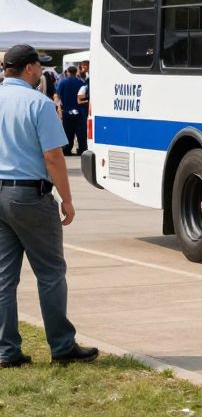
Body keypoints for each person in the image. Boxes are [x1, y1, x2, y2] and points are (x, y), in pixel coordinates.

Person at [0, 44, 98, 366]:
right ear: (29, 68)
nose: (41, 71)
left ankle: (6, 350)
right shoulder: (38, 103)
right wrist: (67, 199)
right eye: (39, 66)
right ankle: (62, 346)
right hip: (30, 195)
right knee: (51, 272)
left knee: (4, 278)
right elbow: (53, 156)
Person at [54, 65, 86, 156]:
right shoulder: (81, 82)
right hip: (80, 111)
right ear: (76, 72)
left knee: (68, 131)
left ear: (68, 72)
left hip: (67, 111)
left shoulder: (63, 82)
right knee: (80, 132)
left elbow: (58, 95)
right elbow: (85, 95)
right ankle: (82, 149)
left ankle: (67, 150)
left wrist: (58, 108)